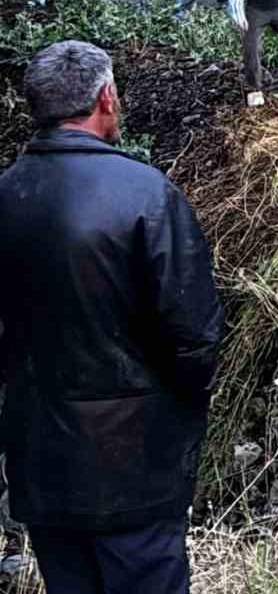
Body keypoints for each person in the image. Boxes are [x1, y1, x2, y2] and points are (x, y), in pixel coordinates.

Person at [0, 40, 222, 594]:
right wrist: (180, 410)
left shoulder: (7, 193)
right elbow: (194, 334)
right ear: (106, 98)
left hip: (41, 455)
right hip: (135, 462)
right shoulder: (146, 193)